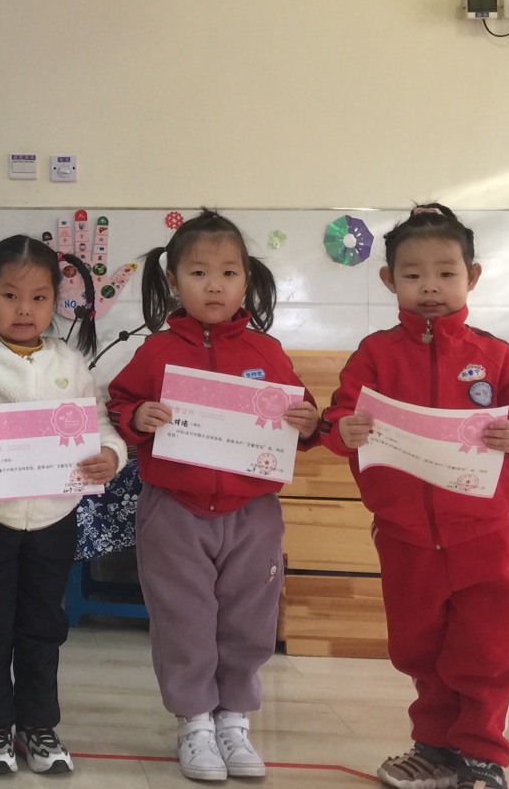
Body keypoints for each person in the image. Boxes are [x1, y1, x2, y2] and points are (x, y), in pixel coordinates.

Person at [321, 205, 509, 789]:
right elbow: (337, 418)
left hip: (482, 535)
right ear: (389, 281)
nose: (429, 286)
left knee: (486, 648)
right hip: (404, 537)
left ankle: (480, 755)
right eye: (412, 274)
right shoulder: (375, 354)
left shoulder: (495, 356)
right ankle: (433, 748)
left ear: (471, 277)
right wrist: (343, 430)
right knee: (419, 649)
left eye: (446, 273)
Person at [106, 210, 319, 783]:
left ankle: (234, 720)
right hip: (174, 509)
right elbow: (118, 404)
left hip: (253, 512)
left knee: (250, 619)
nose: (215, 285)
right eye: (198, 273)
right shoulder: (155, 352)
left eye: (228, 272)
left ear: (246, 278)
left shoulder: (267, 352)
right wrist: (136, 417)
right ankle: (194, 722)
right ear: (173, 281)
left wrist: (309, 422)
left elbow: (301, 415)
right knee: (184, 619)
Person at [0, 234, 124, 775]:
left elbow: (99, 423)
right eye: (10, 296)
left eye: (39, 297)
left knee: (43, 625)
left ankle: (38, 724)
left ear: (56, 300)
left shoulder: (71, 363)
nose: (24, 309)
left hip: (54, 520)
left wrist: (111, 454)